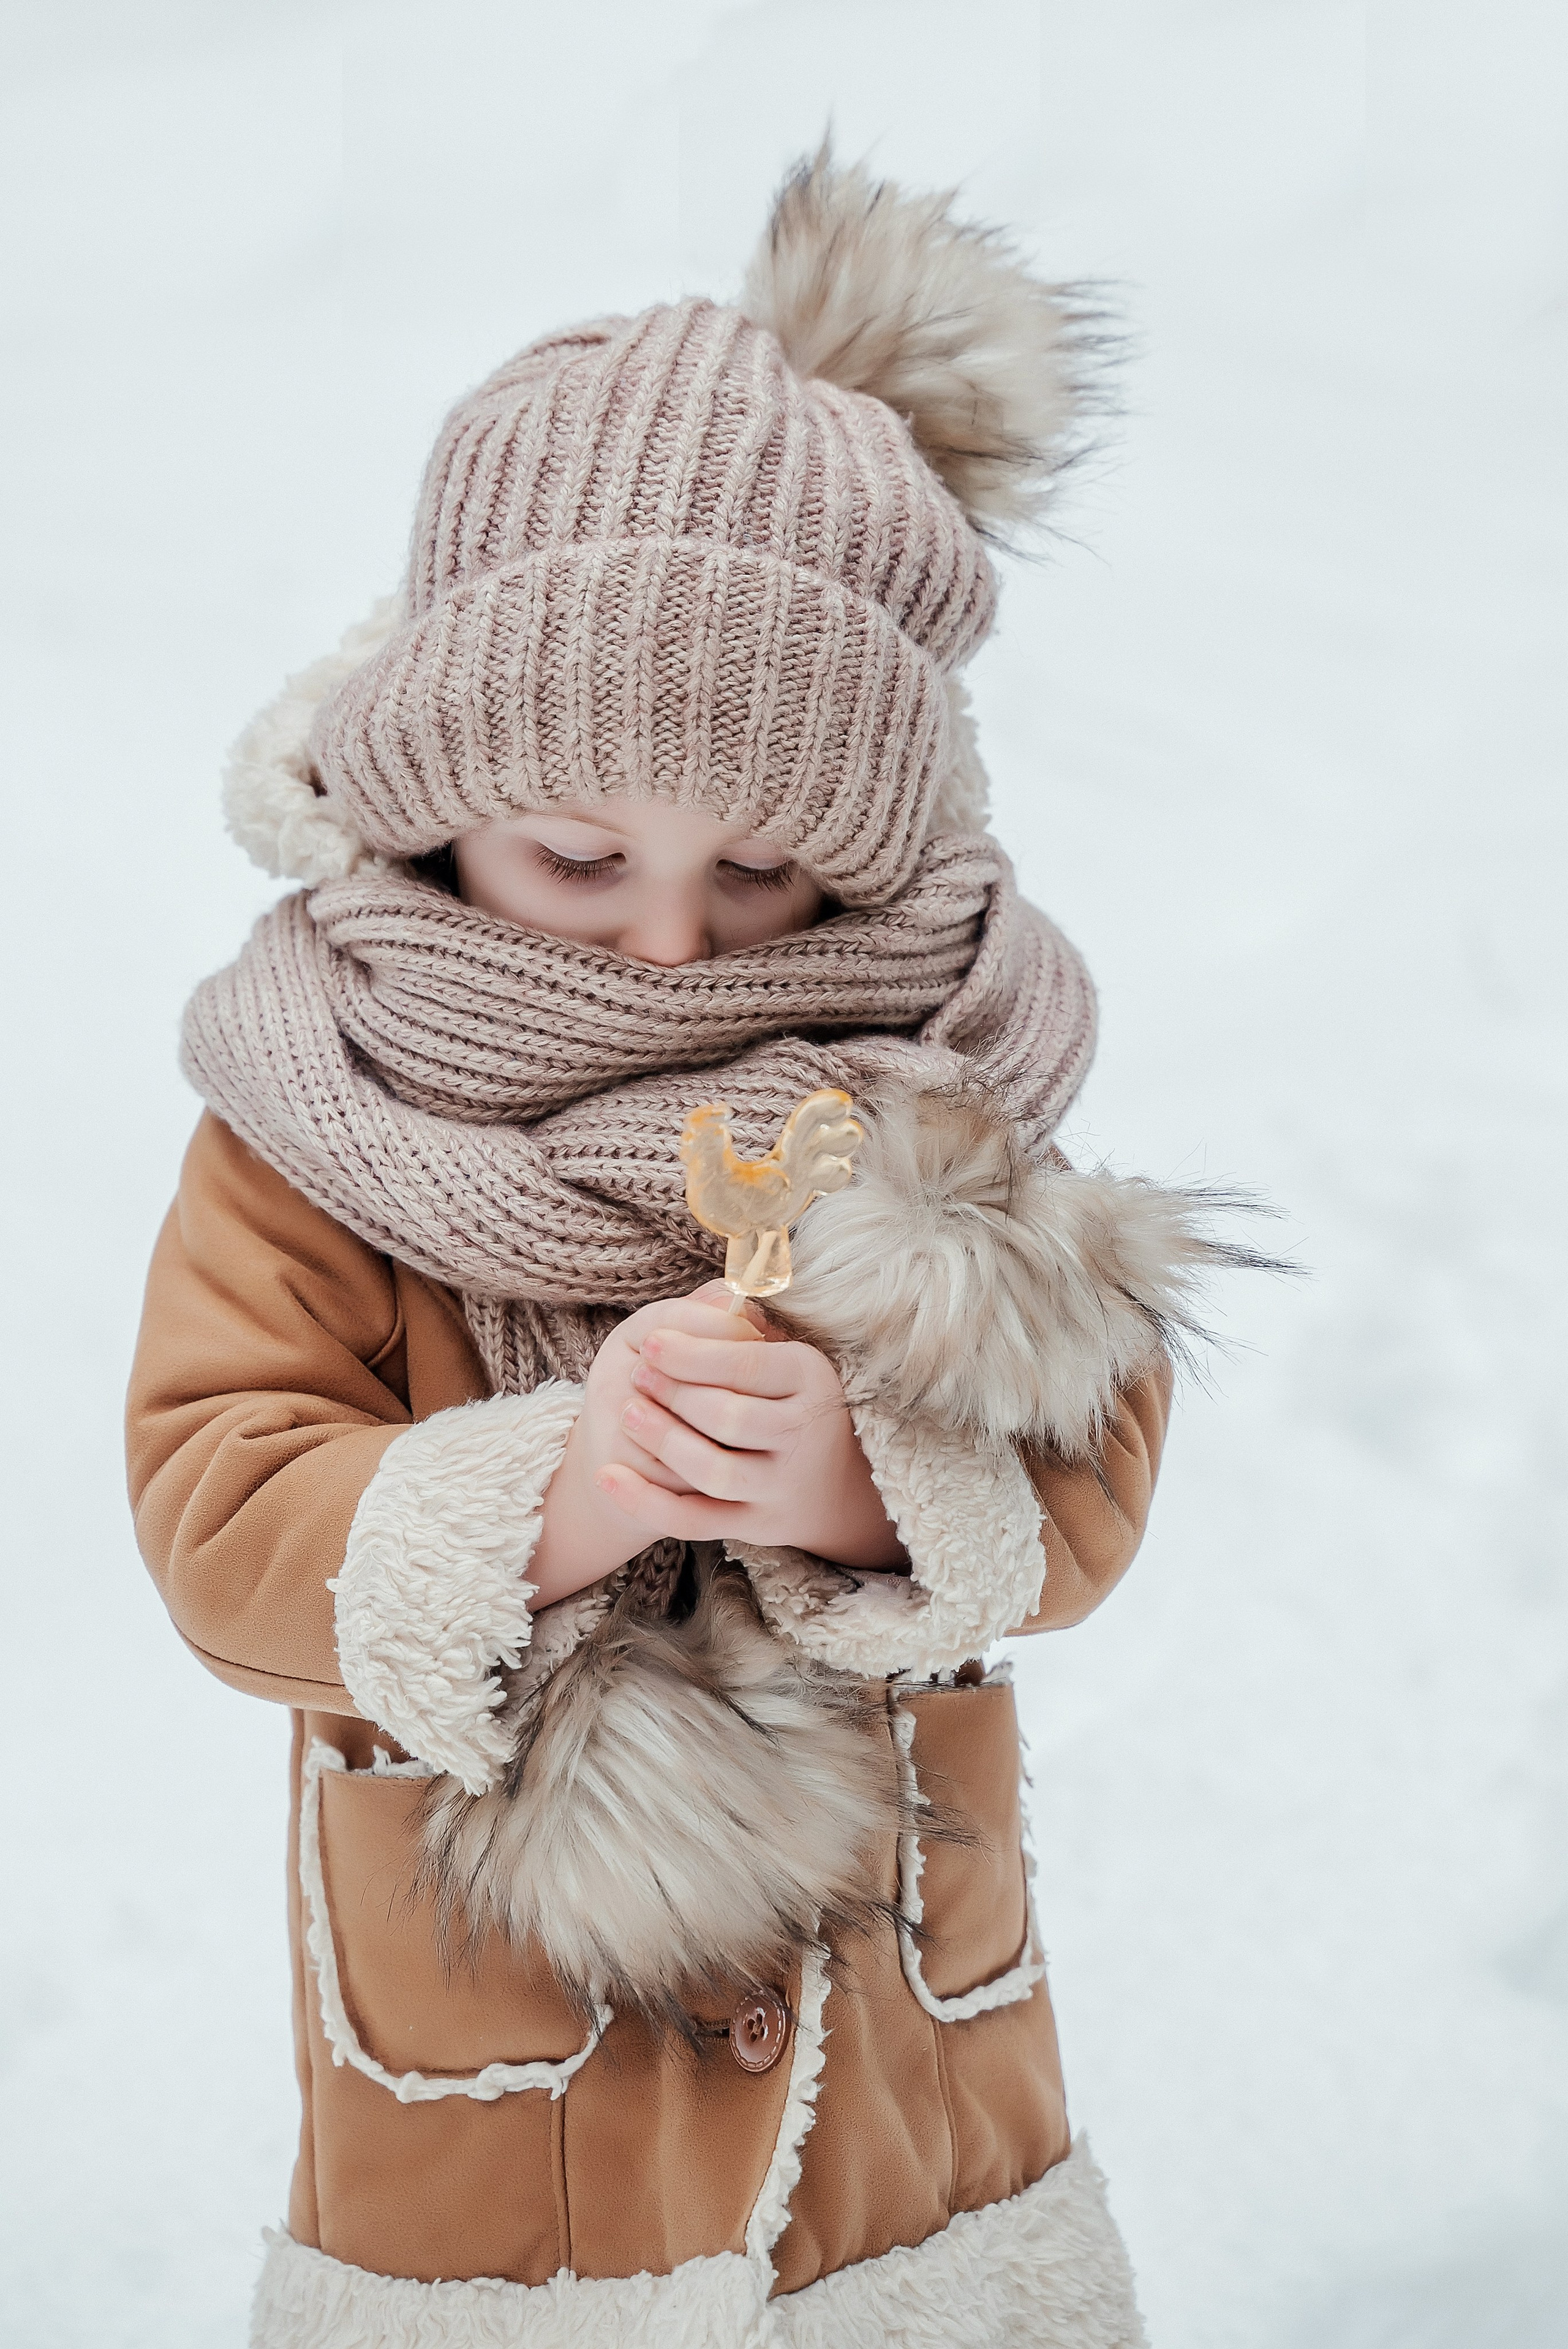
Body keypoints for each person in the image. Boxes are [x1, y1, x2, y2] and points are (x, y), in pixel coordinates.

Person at [128, 148, 1224, 2348]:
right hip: (504, 2136)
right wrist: (558, 1488)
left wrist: (867, 1479)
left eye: (760, 874)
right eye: (578, 852)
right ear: (436, 799)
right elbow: (216, 1503)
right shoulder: (327, 1110)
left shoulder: (928, 1086)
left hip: (913, 2117)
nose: (668, 940)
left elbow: (1089, 1459)